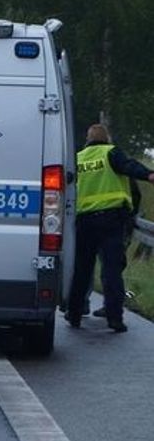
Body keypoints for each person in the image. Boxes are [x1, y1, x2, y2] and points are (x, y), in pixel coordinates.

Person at [65, 124, 154, 333]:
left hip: (84, 222)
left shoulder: (78, 158)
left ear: (88, 139)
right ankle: (114, 318)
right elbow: (130, 166)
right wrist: (149, 175)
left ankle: (74, 313)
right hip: (111, 221)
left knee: (81, 271)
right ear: (107, 138)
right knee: (112, 271)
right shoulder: (111, 153)